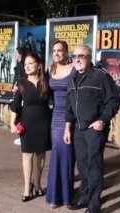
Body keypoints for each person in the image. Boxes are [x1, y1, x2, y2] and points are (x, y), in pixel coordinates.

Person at [64, 44, 120, 213]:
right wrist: (68, 128)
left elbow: (114, 100)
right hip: (78, 130)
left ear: (89, 58)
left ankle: (94, 204)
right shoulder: (72, 79)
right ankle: (85, 195)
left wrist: (102, 121)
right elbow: (69, 108)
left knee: (94, 164)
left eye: (82, 56)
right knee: (82, 164)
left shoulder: (100, 76)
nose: (77, 59)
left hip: (95, 129)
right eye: (74, 56)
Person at [10, 52, 52, 202]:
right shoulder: (20, 83)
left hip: (44, 122)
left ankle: (38, 183)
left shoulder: (46, 82)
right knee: (27, 155)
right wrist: (12, 123)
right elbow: (15, 105)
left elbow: (56, 99)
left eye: (30, 63)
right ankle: (27, 187)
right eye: (25, 64)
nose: (26, 66)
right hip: (27, 123)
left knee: (41, 154)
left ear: (39, 65)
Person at [46, 40, 75, 209]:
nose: (56, 53)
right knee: (57, 154)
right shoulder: (51, 69)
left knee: (68, 157)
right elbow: (41, 89)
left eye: (60, 50)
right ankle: (55, 196)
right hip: (55, 118)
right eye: (54, 50)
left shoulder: (73, 69)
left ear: (66, 52)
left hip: (70, 117)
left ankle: (66, 196)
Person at [11, 47, 26, 146]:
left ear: (20, 54)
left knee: (23, 115)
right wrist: (13, 87)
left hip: (24, 95)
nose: (15, 55)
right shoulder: (18, 67)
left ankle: (23, 136)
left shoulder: (25, 66)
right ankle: (21, 135)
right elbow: (15, 81)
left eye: (16, 53)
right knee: (18, 115)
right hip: (18, 95)